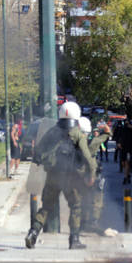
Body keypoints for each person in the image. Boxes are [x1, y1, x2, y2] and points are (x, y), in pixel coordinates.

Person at [25, 102, 96, 250]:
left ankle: (33, 233)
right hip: (70, 177)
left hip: (52, 175)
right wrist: (91, 174)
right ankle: (74, 240)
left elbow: (38, 152)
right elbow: (88, 157)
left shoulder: (52, 131)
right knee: (76, 206)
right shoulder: (77, 133)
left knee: (46, 207)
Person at [78, 117, 112, 235]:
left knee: (82, 199)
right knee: (97, 199)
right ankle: (93, 222)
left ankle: (82, 224)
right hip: (91, 174)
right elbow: (108, 133)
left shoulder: (73, 142)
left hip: (78, 175)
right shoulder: (93, 143)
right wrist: (103, 126)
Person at [120, 120, 132, 185]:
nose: (127, 124)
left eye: (128, 123)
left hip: (129, 149)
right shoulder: (122, 130)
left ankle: (125, 178)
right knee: (123, 163)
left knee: (127, 163)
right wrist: (118, 143)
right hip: (123, 149)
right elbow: (119, 136)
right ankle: (128, 175)